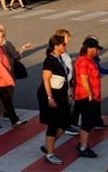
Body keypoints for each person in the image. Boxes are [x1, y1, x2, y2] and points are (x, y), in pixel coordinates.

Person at [38, 34, 71, 165]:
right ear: (56, 46)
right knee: (53, 124)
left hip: (61, 95)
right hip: (52, 95)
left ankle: (48, 145)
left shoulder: (60, 58)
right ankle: (50, 154)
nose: (66, 46)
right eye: (63, 44)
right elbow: (46, 79)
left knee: (65, 122)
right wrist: (50, 98)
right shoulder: (49, 60)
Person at [72, 37, 104, 159]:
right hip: (86, 97)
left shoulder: (89, 60)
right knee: (87, 123)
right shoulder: (84, 61)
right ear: (90, 49)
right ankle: (83, 147)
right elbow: (84, 79)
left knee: (90, 122)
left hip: (91, 96)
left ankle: (82, 143)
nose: (97, 51)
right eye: (96, 49)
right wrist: (90, 94)